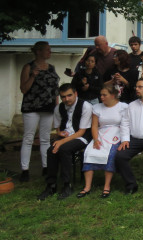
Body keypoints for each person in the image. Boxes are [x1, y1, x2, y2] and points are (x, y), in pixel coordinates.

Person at [37, 84, 93, 200]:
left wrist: (61, 142)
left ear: (75, 94)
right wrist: (59, 134)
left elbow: (81, 132)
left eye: (69, 95)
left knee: (64, 149)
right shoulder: (58, 108)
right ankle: (51, 185)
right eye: (63, 97)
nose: (66, 99)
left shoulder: (85, 106)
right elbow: (58, 128)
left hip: (82, 137)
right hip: (66, 137)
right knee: (51, 150)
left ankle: (67, 184)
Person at [77, 84, 128, 199]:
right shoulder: (97, 108)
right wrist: (95, 139)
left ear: (113, 95)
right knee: (89, 152)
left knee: (111, 154)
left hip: (117, 133)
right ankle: (87, 186)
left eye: (104, 95)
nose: (101, 97)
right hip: (101, 133)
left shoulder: (123, 107)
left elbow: (126, 124)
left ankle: (106, 186)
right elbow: (94, 126)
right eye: (101, 95)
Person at [19, 41, 60, 182]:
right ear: (38, 51)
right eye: (47, 50)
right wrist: (33, 76)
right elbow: (23, 89)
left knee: (45, 138)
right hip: (32, 107)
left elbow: (55, 89)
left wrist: (56, 106)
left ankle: (46, 167)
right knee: (29, 137)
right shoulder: (28, 67)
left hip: (48, 107)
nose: (50, 52)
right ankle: (25, 169)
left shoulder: (51, 68)